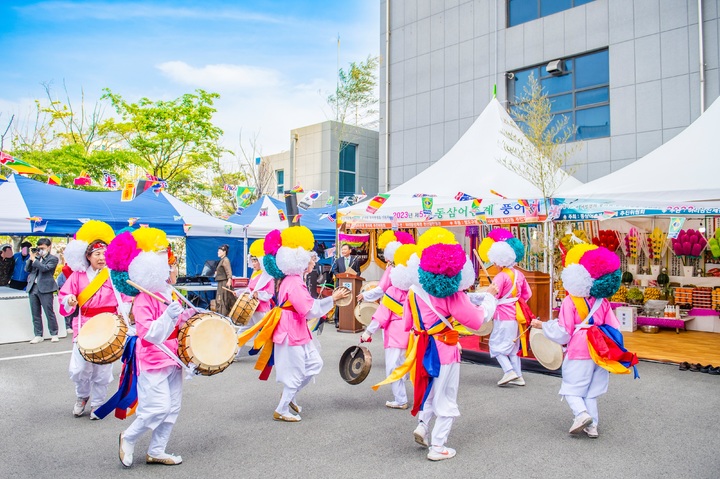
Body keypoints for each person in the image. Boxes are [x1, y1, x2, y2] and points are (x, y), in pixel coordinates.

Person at [373, 227, 497, 461]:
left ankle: (422, 425)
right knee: (446, 396)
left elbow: (409, 323)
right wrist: (489, 298)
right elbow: (477, 319)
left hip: (421, 347)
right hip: (444, 350)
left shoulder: (413, 291)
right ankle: (438, 446)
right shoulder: (452, 294)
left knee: (429, 389)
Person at [237, 227, 350, 422]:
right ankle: (282, 408)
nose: (313, 262)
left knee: (314, 363)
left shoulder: (292, 279)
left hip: (296, 329)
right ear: (299, 260)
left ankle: (289, 396)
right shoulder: (294, 282)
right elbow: (309, 310)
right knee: (296, 371)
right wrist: (334, 298)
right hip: (290, 331)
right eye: (311, 259)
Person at [530, 245, 637, 439]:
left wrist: (543, 327)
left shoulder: (570, 301)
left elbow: (564, 332)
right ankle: (592, 426)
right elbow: (614, 328)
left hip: (579, 348)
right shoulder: (603, 302)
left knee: (571, 387)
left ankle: (581, 414)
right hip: (600, 349)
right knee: (591, 391)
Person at [119, 227, 194, 467]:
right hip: (153, 357)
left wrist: (192, 316)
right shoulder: (143, 298)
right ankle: (128, 437)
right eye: (170, 265)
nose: (174, 270)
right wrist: (168, 318)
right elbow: (149, 334)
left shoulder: (170, 292)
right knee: (157, 407)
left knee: (172, 408)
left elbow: (179, 323)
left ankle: (157, 450)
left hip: (174, 356)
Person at [58, 221, 120, 418]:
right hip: (84, 324)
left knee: (103, 367)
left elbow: (124, 299)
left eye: (104, 254)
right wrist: (69, 299)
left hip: (108, 324)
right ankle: (82, 396)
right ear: (88, 256)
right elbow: (65, 295)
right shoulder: (77, 276)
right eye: (97, 254)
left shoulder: (113, 276)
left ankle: (98, 403)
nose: (101, 258)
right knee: (80, 367)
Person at [358, 230, 416, 409]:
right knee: (408, 364)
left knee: (393, 366)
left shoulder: (391, 292)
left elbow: (382, 315)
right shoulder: (414, 292)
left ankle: (400, 399)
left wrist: (367, 332)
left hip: (395, 333)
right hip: (412, 332)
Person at [477, 228, 532, 386]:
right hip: (516, 314)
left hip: (503, 315)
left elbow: (491, 295)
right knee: (513, 346)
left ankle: (509, 372)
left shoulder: (501, 276)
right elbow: (527, 295)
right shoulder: (519, 274)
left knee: (496, 345)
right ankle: (519, 376)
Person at [235, 240, 275, 358]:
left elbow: (269, 294)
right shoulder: (254, 274)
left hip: (261, 309)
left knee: (267, 331)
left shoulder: (268, 277)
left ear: (261, 261)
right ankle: (233, 353)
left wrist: (259, 295)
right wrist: (239, 292)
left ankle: (274, 353)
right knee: (243, 330)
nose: (253, 263)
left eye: (255, 260)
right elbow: (250, 290)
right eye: (252, 260)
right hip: (251, 308)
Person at [25, 238, 60, 343]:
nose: (40, 250)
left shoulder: (53, 258)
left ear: (49, 247)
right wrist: (31, 258)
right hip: (33, 287)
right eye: (39, 248)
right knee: (35, 313)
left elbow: (45, 269)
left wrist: (35, 260)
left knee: (49, 312)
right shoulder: (35, 257)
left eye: (42, 248)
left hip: (46, 288)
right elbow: (27, 269)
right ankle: (38, 334)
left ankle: (54, 333)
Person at [214, 244, 234, 316]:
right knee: (220, 299)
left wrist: (229, 280)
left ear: (224, 251)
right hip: (220, 282)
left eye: (219, 251)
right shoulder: (222, 260)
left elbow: (229, 271)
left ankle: (223, 315)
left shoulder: (225, 260)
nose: (218, 252)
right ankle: (221, 315)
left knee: (223, 299)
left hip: (224, 283)